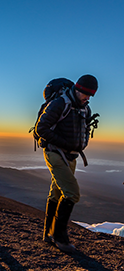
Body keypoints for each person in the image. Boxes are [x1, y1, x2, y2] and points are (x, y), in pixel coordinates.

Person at [35, 74, 98, 253]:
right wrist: (64, 143)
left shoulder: (85, 108)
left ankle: (47, 233)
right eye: (85, 93)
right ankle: (60, 237)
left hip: (72, 156)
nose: (87, 98)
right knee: (72, 193)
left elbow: (84, 130)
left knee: (56, 193)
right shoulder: (60, 103)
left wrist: (81, 144)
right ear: (76, 89)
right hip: (55, 153)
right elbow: (42, 128)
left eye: (90, 95)